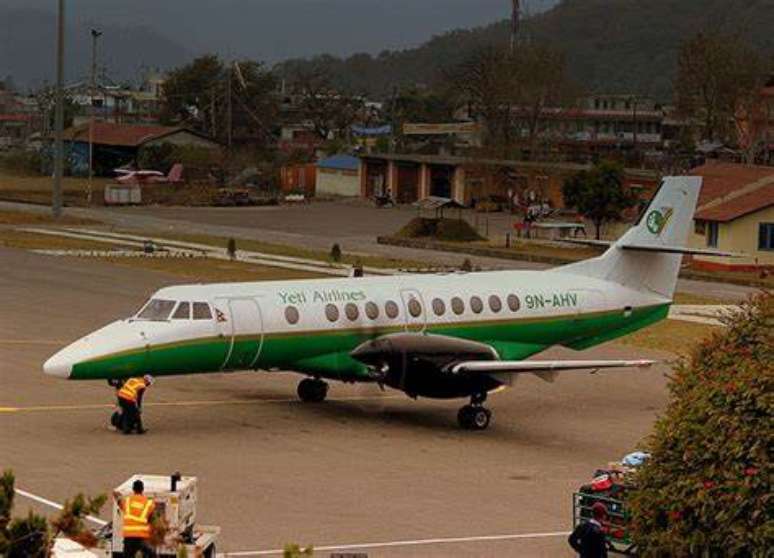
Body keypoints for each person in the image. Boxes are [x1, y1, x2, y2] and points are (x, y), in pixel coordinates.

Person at [120, 479, 156, 558]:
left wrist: (117, 495)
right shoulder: (148, 503)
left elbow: (119, 502)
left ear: (133, 489)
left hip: (129, 536)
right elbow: (151, 519)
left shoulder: (127, 501)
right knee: (151, 554)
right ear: (142, 489)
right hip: (142, 537)